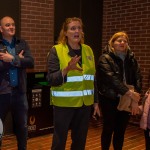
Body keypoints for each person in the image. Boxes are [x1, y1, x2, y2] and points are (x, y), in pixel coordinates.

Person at [47, 17, 100, 150]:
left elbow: (92, 78)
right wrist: (66, 69)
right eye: (72, 28)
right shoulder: (57, 50)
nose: (77, 31)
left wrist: (96, 102)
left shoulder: (88, 50)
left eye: (79, 28)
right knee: (59, 142)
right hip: (64, 104)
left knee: (80, 142)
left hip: (84, 104)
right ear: (65, 32)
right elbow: (51, 79)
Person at [96, 31, 142, 150]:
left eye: (125, 41)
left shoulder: (131, 59)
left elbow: (138, 77)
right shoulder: (105, 58)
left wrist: (135, 99)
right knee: (108, 128)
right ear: (112, 43)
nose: (122, 43)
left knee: (120, 130)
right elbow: (111, 79)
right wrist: (130, 94)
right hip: (110, 98)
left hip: (127, 99)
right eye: (119, 40)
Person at [0, 16, 34, 150]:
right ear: (1, 29)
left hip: (19, 93)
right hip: (2, 94)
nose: (11, 27)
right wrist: (17, 60)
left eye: (13, 24)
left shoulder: (22, 43)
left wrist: (11, 58)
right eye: (7, 25)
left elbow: (31, 62)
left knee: (22, 128)